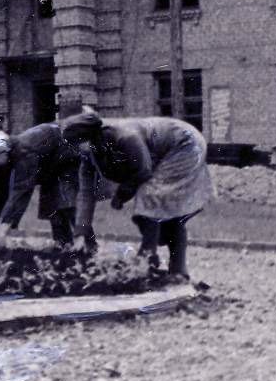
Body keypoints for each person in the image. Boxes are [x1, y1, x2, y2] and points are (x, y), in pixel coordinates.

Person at [60, 111, 213, 279]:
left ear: (91, 137)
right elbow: (86, 193)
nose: (75, 150)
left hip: (185, 143)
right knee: (162, 213)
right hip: (164, 152)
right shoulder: (90, 154)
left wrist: (121, 195)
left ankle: (147, 258)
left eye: (77, 143)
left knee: (149, 196)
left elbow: (143, 170)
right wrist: (81, 234)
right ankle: (175, 270)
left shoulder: (124, 137)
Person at [0, 125, 85, 250]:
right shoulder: (4, 159)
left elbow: (21, 192)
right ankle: (63, 243)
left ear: (0, 153)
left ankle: (84, 243)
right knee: (50, 204)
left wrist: (2, 232)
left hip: (67, 156)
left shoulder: (24, 153)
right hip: (48, 161)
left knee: (64, 200)